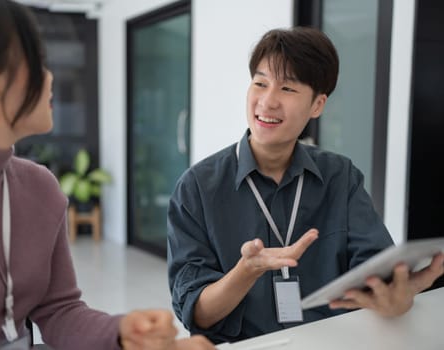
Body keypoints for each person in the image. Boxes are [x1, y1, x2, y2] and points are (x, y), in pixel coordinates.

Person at [0, 1, 215, 349]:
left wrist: (122, 334)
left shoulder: (38, 187)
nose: (50, 76)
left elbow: (60, 310)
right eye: (37, 61)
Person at [167, 26, 444, 344]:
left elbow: (377, 274)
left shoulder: (340, 176)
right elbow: (197, 313)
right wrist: (246, 270)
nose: (267, 101)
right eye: (260, 83)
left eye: (287, 89)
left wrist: (398, 298)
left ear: (317, 105)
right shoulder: (197, 188)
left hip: (333, 341)